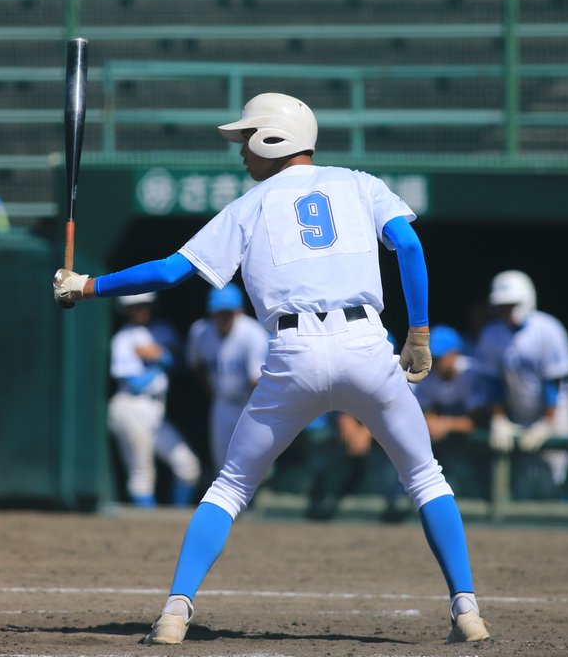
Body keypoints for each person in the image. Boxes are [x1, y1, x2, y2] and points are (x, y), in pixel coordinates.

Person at [53, 92, 491, 644]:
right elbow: (408, 245)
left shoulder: (249, 205)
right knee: (426, 478)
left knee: (231, 487)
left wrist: (88, 285)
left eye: (245, 139)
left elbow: (168, 273)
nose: (240, 151)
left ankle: (173, 614)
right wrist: (419, 329)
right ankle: (467, 610)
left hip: (294, 353)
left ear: (271, 139)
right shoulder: (359, 182)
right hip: (365, 344)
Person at [475, 270, 568, 500]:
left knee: (554, 478)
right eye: (502, 305)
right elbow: (493, 382)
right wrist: (499, 418)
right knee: (523, 482)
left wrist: (547, 422)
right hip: (517, 412)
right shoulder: (492, 334)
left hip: (555, 413)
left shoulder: (549, 328)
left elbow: (555, 381)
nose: (506, 310)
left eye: (511, 305)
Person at [107, 291, 202, 508]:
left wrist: (163, 355)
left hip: (156, 410)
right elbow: (134, 383)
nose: (142, 310)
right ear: (126, 309)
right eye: (137, 306)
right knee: (142, 473)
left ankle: (175, 524)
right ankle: (146, 531)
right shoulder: (123, 338)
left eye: (146, 305)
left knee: (187, 466)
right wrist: (161, 361)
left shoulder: (161, 331)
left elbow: (181, 359)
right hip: (131, 405)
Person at [185, 284, 270, 475]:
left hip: (249, 404)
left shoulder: (253, 334)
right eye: (218, 313)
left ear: (238, 312)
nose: (222, 318)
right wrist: (213, 393)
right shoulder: (200, 332)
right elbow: (196, 364)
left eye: (227, 313)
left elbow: (256, 382)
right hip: (222, 404)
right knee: (222, 467)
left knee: (251, 465)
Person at [413, 325, 490, 499]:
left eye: (441, 356)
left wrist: (445, 424)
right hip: (446, 452)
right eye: (434, 355)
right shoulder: (426, 374)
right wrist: (431, 422)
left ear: (455, 353)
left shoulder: (472, 372)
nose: (436, 360)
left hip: (477, 451)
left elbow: (476, 422)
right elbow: (424, 414)